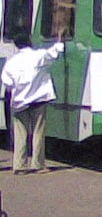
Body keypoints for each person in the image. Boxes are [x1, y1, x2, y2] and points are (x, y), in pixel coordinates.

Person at [1, 32, 65, 174]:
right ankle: (38, 164)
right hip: (39, 100)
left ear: (15, 45)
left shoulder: (11, 63)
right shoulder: (38, 56)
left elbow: (7, 82)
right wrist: (60, 40)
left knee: (20, 134)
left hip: (19, 102)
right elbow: (54, 52)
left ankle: (19, 166)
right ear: (30, 41)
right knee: (38, 132)